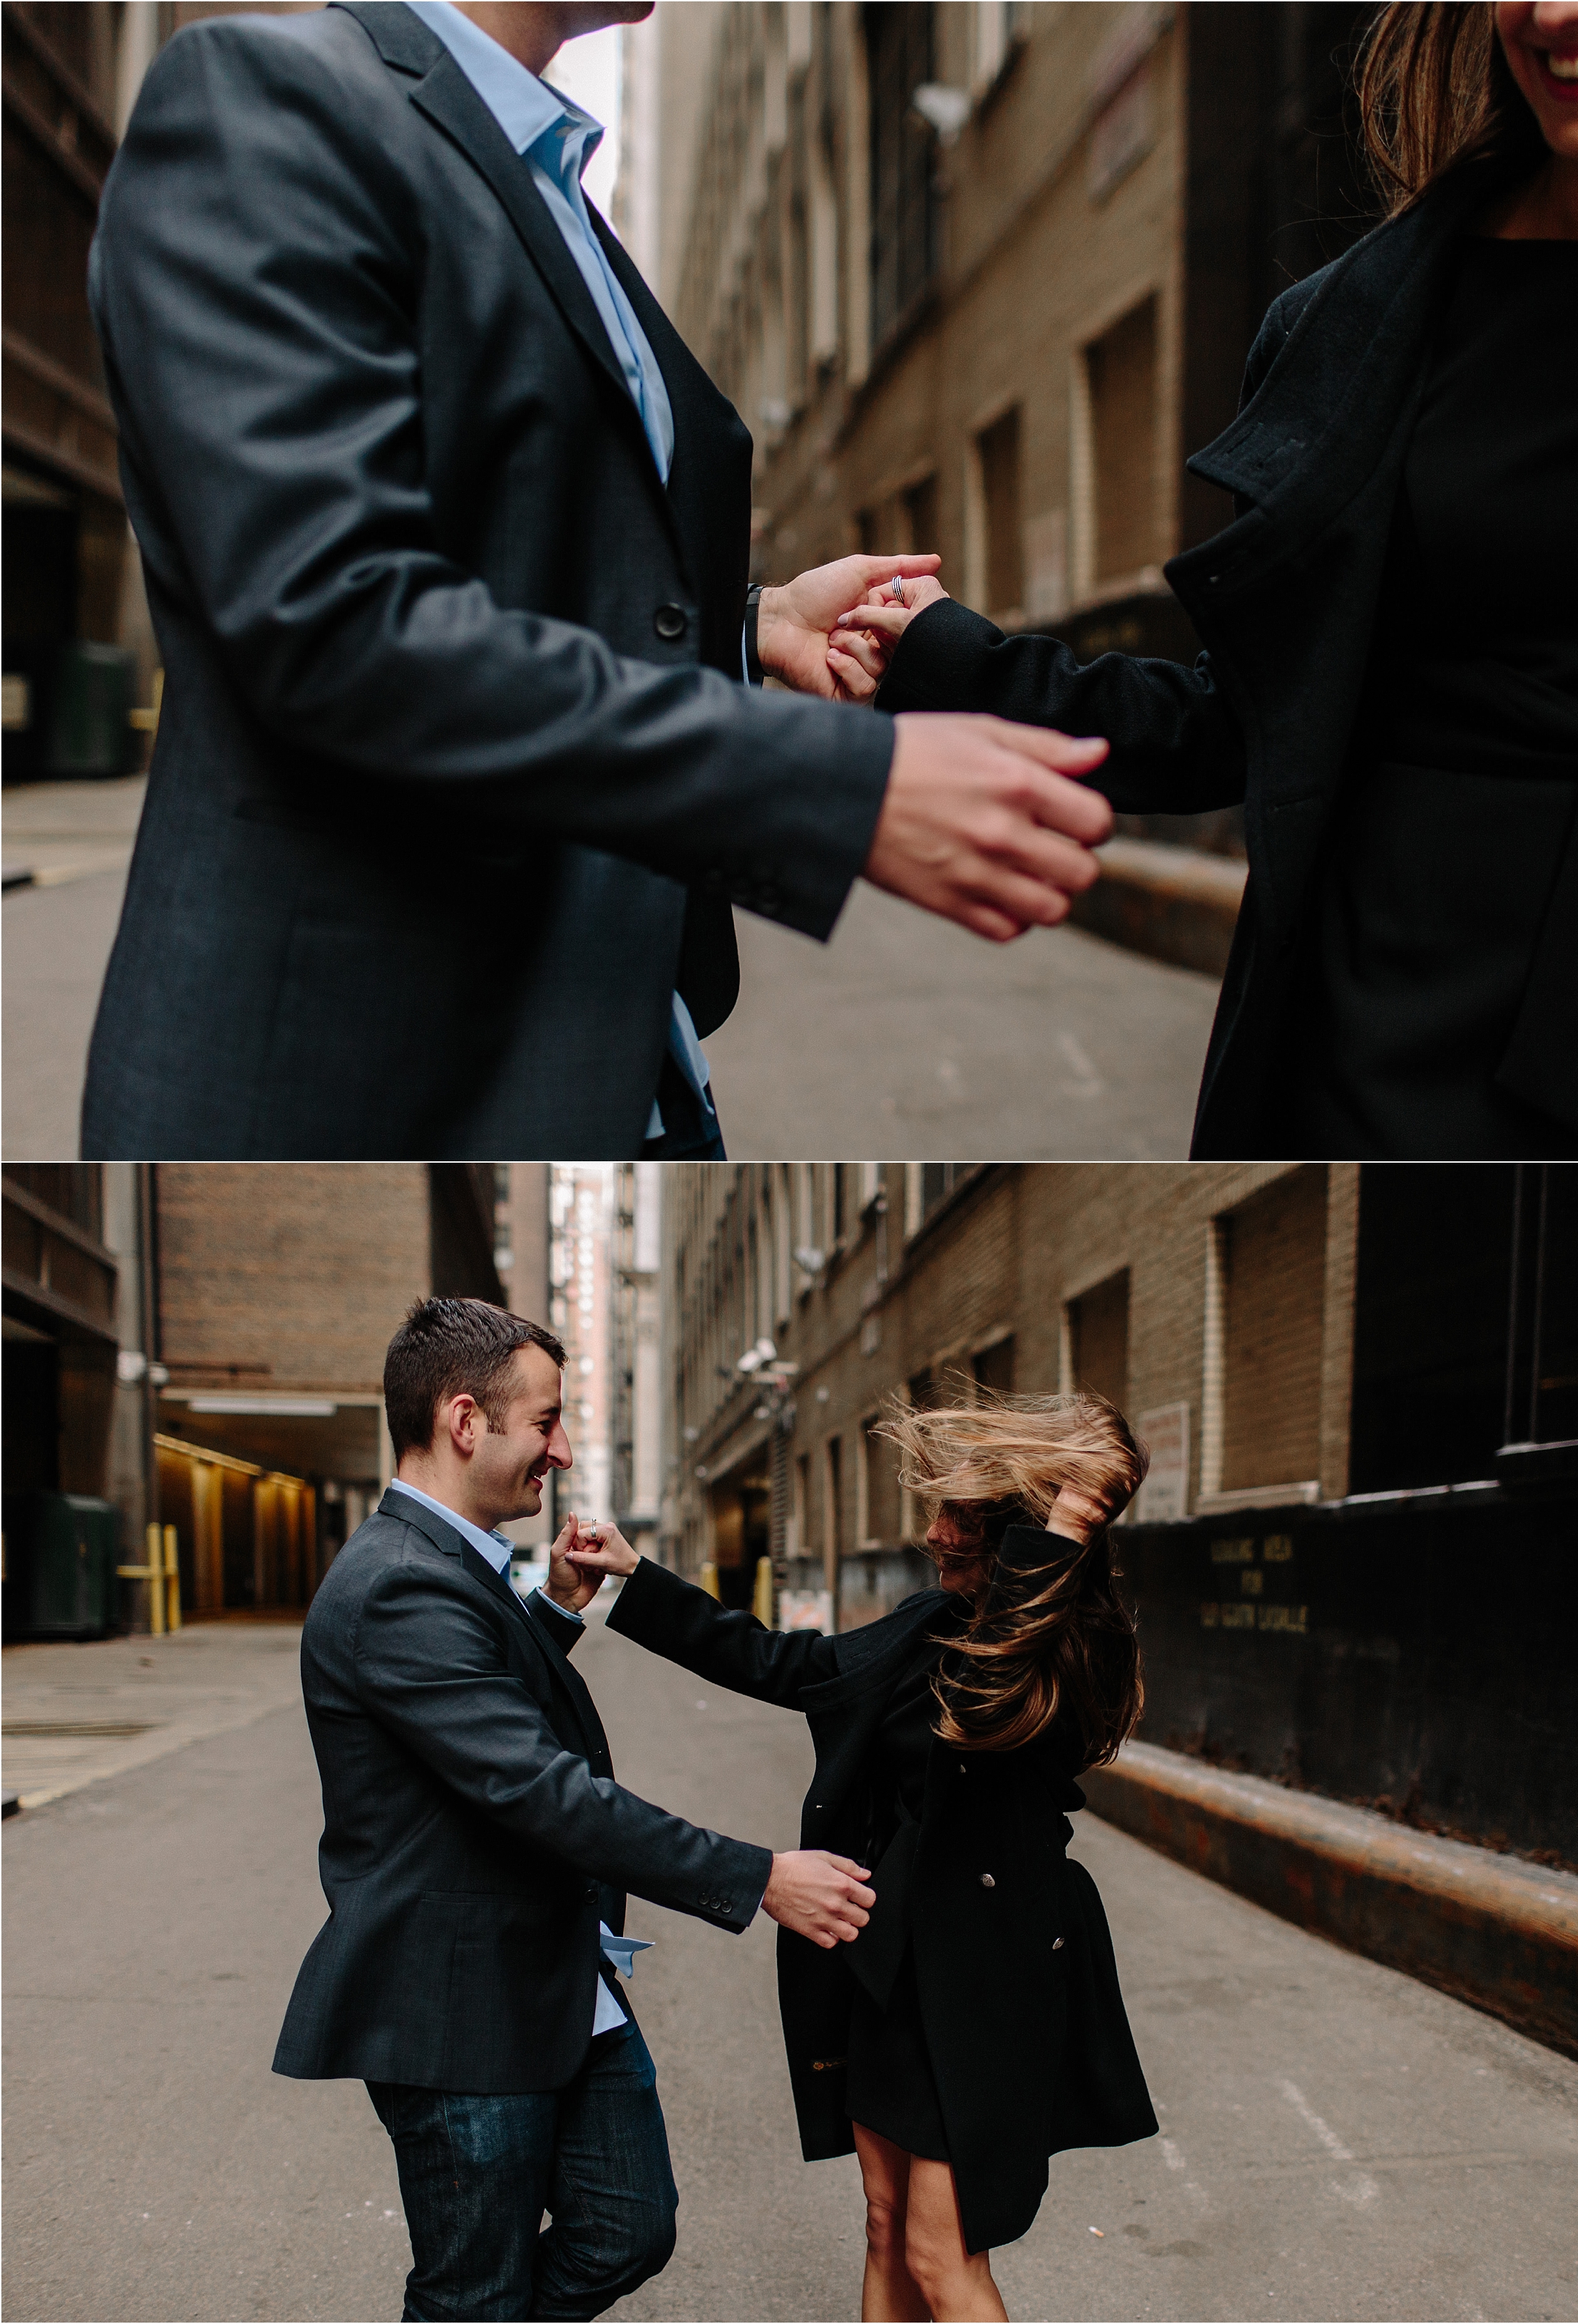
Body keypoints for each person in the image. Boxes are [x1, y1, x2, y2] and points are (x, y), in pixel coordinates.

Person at [80, 0, 1112, 1161]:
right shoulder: (260, 98)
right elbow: (333, 623)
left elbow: (509, 560)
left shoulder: (550, 182)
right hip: (366, 1085)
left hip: (617, 1059)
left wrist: (744, 630)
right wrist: (837, 790)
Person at [832, 0, 1578, 1163]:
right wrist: (950, 656)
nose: (1562, 12)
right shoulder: (1356, 329)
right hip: (1395, 1052)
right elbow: (1247, 724)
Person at [273, 1297, 878, 2322]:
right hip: (461, 2014)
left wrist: (551, 1612)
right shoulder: (396, 1584)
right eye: (546, 1421)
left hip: (552, 1978)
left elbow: (476, 1720)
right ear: (466, 1421)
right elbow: (534, 1786)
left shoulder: (450, 1563)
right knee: (473, 2292)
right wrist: (760, 1875)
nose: (561, 1449)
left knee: (626, 2226)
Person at [556, 1390, 1159, 2324]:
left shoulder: (1063, 1646)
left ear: (1017, 1524)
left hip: (987, 1980)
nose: (929, 1530)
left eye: (956, 1511)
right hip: (891, 1966)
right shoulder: (930, 1619)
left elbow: (980, 1709)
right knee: (885, 2225)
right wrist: (638, 1580)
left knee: (941, 2251)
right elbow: (789, 1664)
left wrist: (1073, 1521)